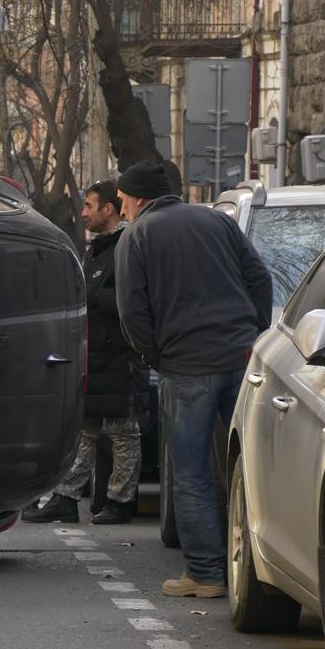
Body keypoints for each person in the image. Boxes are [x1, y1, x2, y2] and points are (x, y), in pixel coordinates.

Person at [114, 161, 272, 598]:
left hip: (186, 366)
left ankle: (205, 573)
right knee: (248, 464)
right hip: (239, 357)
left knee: (191, 472)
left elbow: (132, 311)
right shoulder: (215, 220)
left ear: (139, 198)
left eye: (123, 199)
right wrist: (253, 330)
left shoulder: (137, 236)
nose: (121, 207)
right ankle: (259, 570)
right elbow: (258, 277)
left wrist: (155, 355)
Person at [22, 180, 146, 525]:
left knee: (123, 430)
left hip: (119, 355)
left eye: (90, 206)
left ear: (109, 209)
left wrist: (90, 297)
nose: (84, 213)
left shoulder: (125, 245)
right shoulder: (98, 247)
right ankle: (65, 496)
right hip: (94, 354)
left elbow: (131, 300)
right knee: (84, 429)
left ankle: (121, 500)